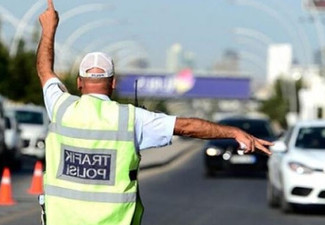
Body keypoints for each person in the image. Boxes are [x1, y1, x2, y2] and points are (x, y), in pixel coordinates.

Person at [36, 1, 273, 224]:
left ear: (79, 82)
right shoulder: (131, 119)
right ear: (113, 83)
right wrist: (233, 132)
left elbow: (45, 70)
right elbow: (187, 127)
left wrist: (49, 29)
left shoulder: (61, 107)